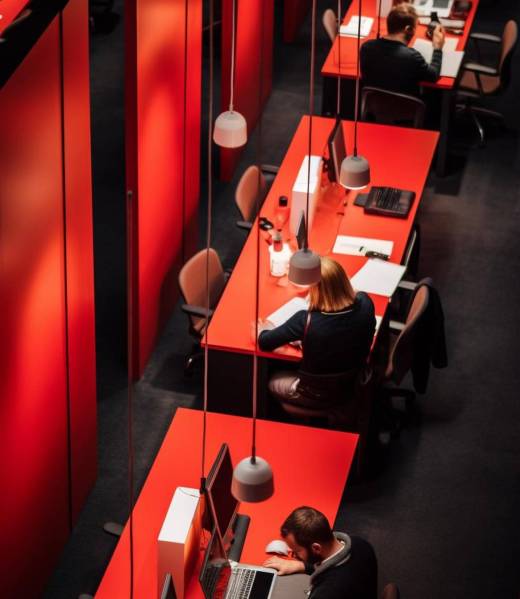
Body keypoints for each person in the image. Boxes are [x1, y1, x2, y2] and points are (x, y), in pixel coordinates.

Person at [257, 257, 375, 409]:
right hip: (354, 381)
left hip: (316, 392)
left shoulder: (306, 321)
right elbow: (355, 295)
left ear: (315, 289)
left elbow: (265, 342)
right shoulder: (366, 302)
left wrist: (264, 329)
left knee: (273, 380)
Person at [263, 506, 377, 599]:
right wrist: (303, 566)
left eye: (297, 551)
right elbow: (334, 564)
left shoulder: (328, 591)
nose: (293, 556)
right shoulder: (360, 543)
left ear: (316, 548)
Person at [360, 2, 445, 97]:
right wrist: (438, 48)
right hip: (406, 110)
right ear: (408, 29)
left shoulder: (366, 48)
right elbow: (433, 76)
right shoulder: (412, 57)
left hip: (373, 108)